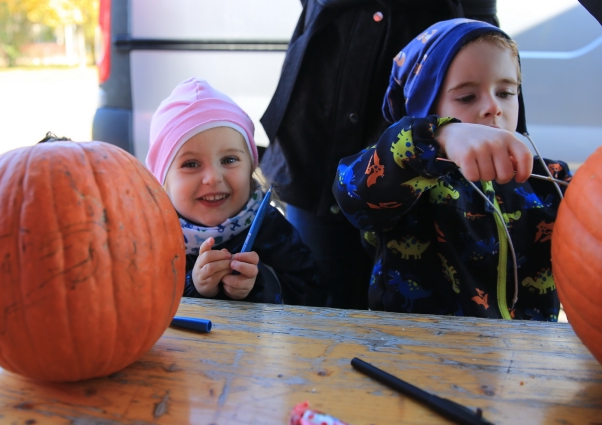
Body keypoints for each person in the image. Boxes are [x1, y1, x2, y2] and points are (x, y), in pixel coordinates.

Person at [259, 0, 499, 310]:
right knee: (321, 303)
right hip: (323, 111)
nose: (495, 104)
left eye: (507, 93)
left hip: (443, 50)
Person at [332, 19, 572, 321]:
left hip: (527, 355)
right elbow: (352, 192)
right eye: (467, 97)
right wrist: (438, 139)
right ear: (424, 110)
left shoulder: (551, 180)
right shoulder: (409, 182)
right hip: (417, 355)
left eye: (506, 93)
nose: (493, 107)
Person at [146, 77, 327, 306]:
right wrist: (193, 285)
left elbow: (314, 298)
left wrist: (258, 283)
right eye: (191, 164)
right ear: (163, 180)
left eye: (229, 159)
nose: (213, 177)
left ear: (251, 167)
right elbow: (140, 303)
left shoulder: (271, 229)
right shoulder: (152, 239)